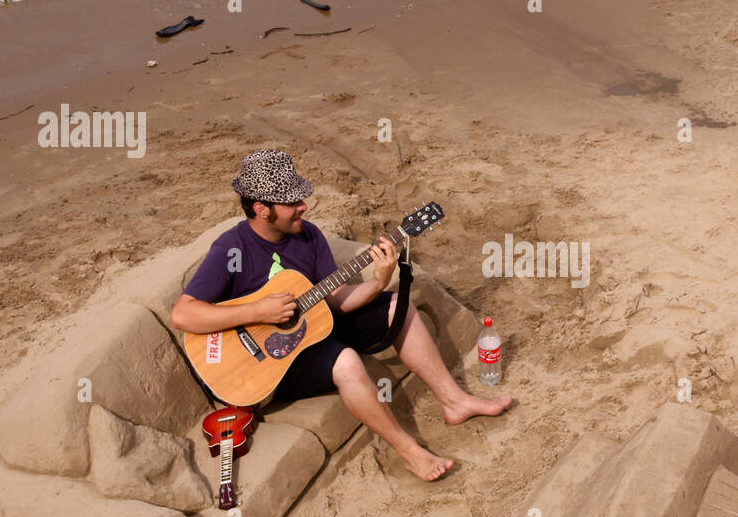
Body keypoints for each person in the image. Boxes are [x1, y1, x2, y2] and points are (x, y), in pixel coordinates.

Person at [170, 149, 511, 480]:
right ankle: (410, 453)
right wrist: (257, 310)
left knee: (396, 307)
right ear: (262, 209)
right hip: (271, 365)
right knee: (346, 361)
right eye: (292, 202)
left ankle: (455, 402)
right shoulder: (232, 249)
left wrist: (377, 283)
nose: (303, 206)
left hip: (316, 328)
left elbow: (332, 298)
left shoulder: (308, 235)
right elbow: (184, 315)